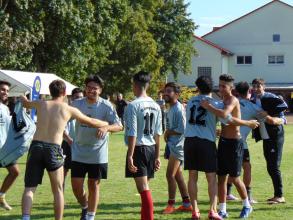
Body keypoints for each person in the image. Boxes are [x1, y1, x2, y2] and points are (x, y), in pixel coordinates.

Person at [20, 80, 109, 220]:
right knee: (58, 190)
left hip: (36, 146)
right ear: (64, 92)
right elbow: (90, 122)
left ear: (50, 92)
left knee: (29, 188)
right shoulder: (68, 109)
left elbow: (26, 104)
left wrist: (23, 98)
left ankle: (25, 218)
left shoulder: (41, 103)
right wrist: (106, 124)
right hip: (53, 148)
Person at [186, 76, 258, 220]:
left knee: (235, 178)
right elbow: (224, 119)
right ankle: (221, 209)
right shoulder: (218, 102)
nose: (221, 88)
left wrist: (247, 123)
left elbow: (226, 116)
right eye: (220, 86)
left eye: (224, 86)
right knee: (220, 177)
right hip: (222, 142)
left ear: (232, 88)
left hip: (234, 143)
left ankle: (247, 204)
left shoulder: (227, 101)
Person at [71, 75, 123, 220]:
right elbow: (63, 118)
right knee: (76, 186)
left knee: (93, 185)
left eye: (95, 88)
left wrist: (106, 127)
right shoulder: (76, 104)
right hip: (78, 150)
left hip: (97, 152)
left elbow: (119, 126)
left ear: (100, 90)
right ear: (85, 89)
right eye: (89, 87)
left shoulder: (106, 106)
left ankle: (90, 217)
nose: (91, 90)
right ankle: (84, 206)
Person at [124, 71, 162, 220]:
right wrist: (157, 156)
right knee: (144, 189)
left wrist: (130, 156)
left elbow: (132, 133)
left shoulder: (133, 105)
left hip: (139, 149)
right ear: (148, 85)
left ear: (135, 85)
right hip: (151, 148)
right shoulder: (156, 105)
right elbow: (158, 133)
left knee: (144, 189)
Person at [251, 78, 287, 204]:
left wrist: (269, 116)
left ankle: (280, 195)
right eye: (254, 86)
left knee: (274, 166)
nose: (255, 89)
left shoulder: (271, 97)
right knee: (270, 166)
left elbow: (282, 118)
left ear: (263, 86)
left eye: (258, 86)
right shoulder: (252, 100)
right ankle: (277, 195)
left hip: (275, 136)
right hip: (265, 137)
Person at [162, 82, 192, 214]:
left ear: (177, 94)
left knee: (170, 175)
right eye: (165, 91)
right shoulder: (171, 107)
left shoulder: (179, 109)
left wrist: (168, 132)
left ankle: (171, 205)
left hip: (178, 146)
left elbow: (183, 129)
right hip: (172, 144)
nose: (166, 93)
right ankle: (187, 203)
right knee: (178, 175)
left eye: (169, 91)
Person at [0, 80, 20, 211]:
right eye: (2, 89)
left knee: (15, 172)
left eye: (7, 91)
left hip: (5, 148)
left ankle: (1, 196)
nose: (5, 92)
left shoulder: (5, 108)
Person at [62, 88, 84, 191]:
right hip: (67, 144)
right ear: (71, 98)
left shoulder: (84, 111)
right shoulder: (66, 111)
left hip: (80, 145)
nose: (79, 100)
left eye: (81, 97)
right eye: (76, 97)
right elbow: (61, 129)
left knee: (80, 174)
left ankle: (82, 198)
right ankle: (60, 196)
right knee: (63, 172)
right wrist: (69, 139)